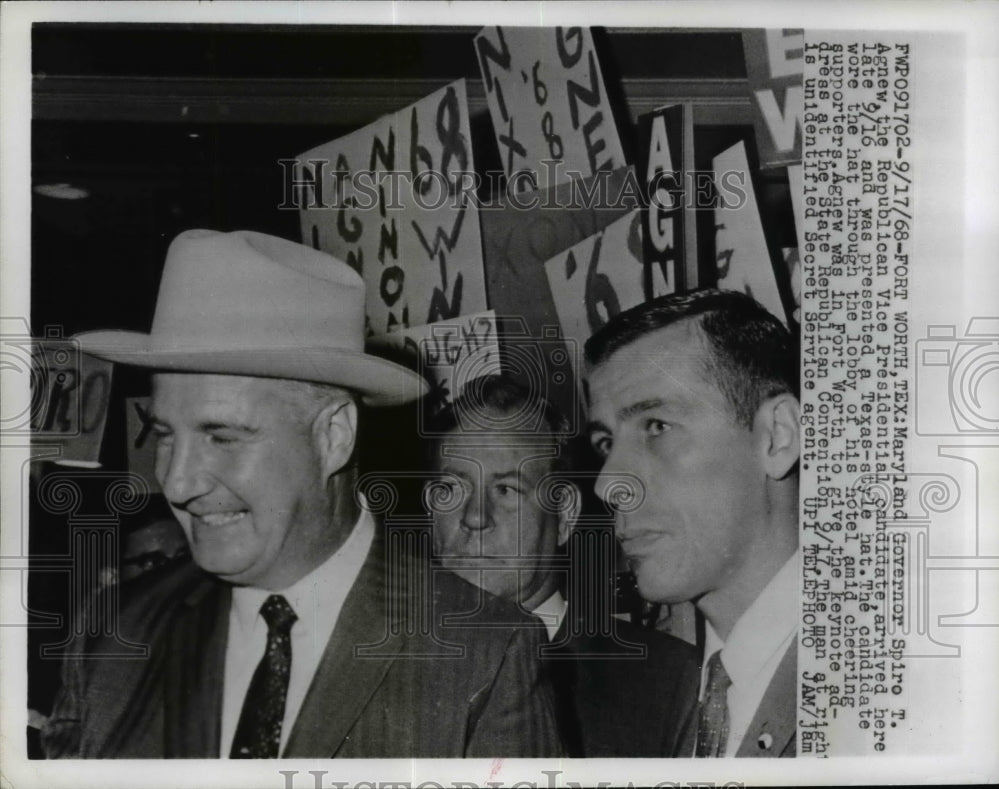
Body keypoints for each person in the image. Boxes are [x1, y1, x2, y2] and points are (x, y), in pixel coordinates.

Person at [40, 229, 561, 758]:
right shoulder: (114, 633)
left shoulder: (483, 654)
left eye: (222, 436)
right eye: (166, 435)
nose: (178, 482)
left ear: (333, 436)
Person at [425, 372, 700, 757]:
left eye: (506, 490)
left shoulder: (671, 683)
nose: (474, 517)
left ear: (565, 515)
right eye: (452, 489)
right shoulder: (382, 670)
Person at [584, 289, 799, 758]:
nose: (608, 485)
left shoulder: (880, 690)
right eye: (605, 443)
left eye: (657, 426)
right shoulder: (665, 698)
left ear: (777, 437)